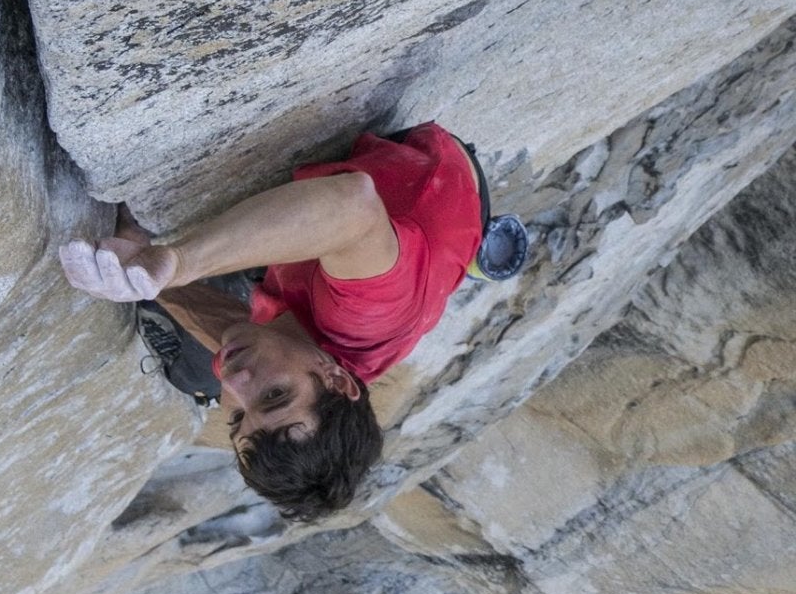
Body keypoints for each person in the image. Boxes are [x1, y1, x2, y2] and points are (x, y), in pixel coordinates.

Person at [60, 122, 527, 522]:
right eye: (275, 396)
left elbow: (234, 344)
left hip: (392, 261)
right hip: (427, 175)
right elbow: (353, 204)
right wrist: (177, 261)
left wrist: (144, 275)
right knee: (200, 362)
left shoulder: (312, 367)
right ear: (339, 380)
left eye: (239, 417)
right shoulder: (365, 314)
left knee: (203, 371)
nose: (239, 381)